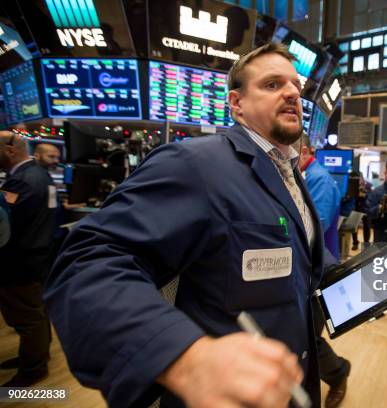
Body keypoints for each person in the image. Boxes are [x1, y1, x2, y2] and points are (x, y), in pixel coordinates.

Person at [45, 43, 326, 408]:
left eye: (295, 86)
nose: (292, 93)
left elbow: (295, 255)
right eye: (273, 84)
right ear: (236, 104)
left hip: (288, 386)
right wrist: (184, 357)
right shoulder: (197, 163)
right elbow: (86, 263)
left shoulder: (287, 169)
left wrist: (363, 284)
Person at [299, 135, 351, 408]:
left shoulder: (318, 178)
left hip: (318, 270)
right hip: (306, 268)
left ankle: (338, 373)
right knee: (302, 334)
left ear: (305, 150)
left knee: (308, 337)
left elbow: (311, 228)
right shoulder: (304, 174)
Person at [0, 132, 55, 387]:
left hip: (20, 259)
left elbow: (8, 225)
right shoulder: (40, 174)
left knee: (28, 316)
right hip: (38, 254)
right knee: (36, 312)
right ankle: (34, 356)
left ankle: (33, 368)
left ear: (10, 151)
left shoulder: (22, 180)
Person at [299, 134, 341, 259]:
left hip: (320, 259)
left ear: (304, 152)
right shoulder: (307, 174)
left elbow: (318, 225)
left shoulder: (319, 178)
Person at [352, 172, 372, 251]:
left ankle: (366, 244)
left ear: (362, 177)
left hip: (366, 208)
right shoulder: (352, 186)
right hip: (355, 208)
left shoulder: (368, 185)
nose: (359, 181)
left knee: (367, 226)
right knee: (354, 226)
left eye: (359, 178)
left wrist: (365, 193)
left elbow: (372, 197)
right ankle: (355, 243)